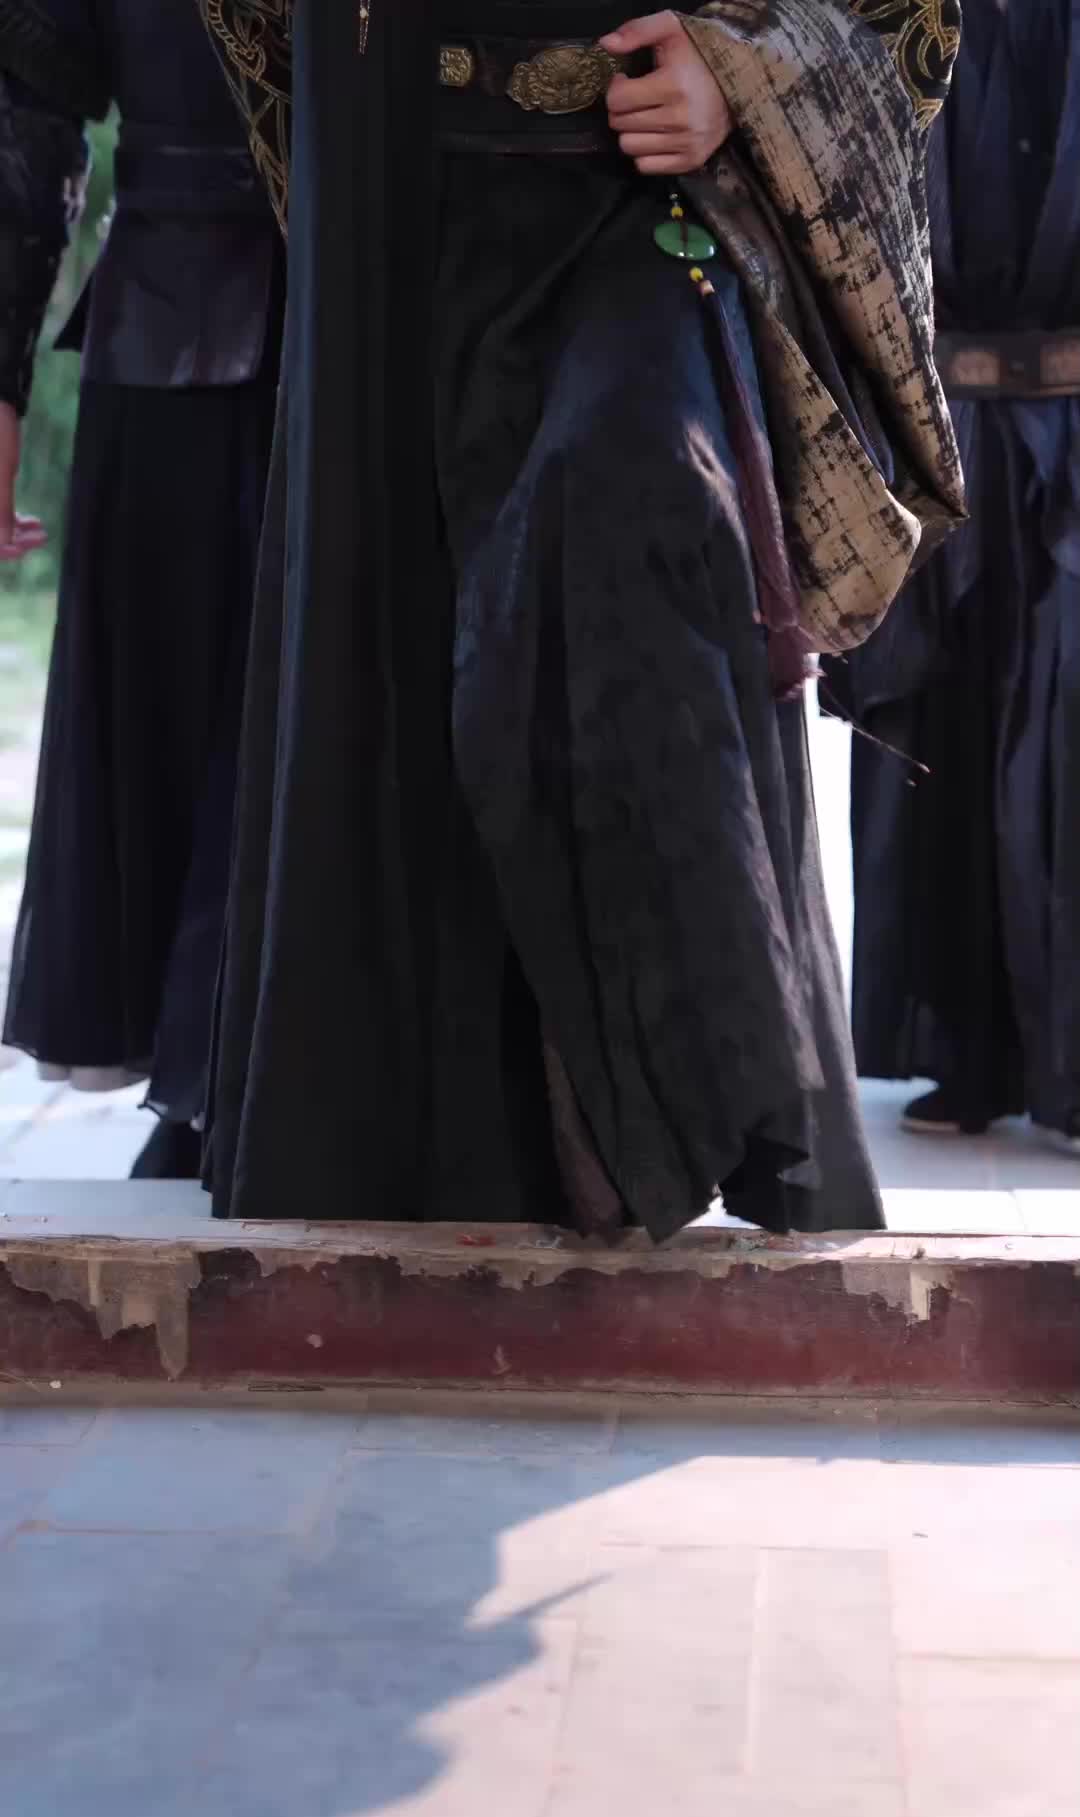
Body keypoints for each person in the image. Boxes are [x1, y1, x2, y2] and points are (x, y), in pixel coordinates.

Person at [196, 0, 964, 1240]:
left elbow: (904, 16)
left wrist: (739, 70)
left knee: (637, 501)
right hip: (395, 184)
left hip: (642, 195)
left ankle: (694, 1111)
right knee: (404, 645)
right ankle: (441, 1163)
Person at [0, 0, 282, 1175]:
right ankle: (208, 1089)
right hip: (182, 320)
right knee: (182, 727)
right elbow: (25, 98)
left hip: (445, 307)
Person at [823, 0, 1080, 1154]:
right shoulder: (903, 17)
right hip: (939, 430)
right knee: (944, 729)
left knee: (1064, 739)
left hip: (1069, 441)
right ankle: (964, 1048)